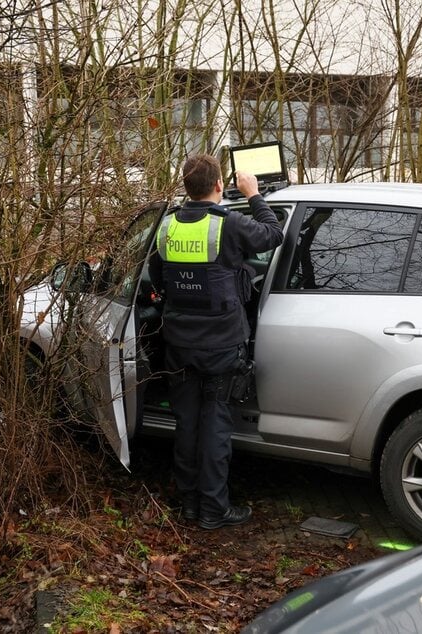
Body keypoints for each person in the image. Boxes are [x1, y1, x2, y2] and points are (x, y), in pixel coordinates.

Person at [148, 154, 283, 529]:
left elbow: (159, 278)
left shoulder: (168, 226)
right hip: (221, 345)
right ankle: (213, 510)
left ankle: (190, 505)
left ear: (186, 187)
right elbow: (273, 235)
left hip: (178, 343)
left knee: (186, 425)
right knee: (215, 427)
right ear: (220, 186)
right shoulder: (229, 224)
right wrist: (254, 195)